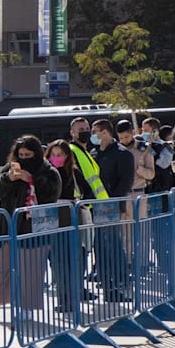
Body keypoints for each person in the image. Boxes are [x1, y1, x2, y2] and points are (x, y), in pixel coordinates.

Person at [0, 136, 61, 313]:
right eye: (20, 154)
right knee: (0, 267)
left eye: (27, 154)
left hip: (32, 229)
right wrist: (9, 179)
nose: (23, 158)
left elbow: (52, 193)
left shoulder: (48, 171)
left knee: (30, 270)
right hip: (7, 227)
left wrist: (32, 180)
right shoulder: (10, 168)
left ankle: (27, 307)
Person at [90, 119, 135, 301]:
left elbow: (126, 181)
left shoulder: (122, 154)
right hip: (95, 207)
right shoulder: (94, 153)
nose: (93, 135)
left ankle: (121, 278)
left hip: (111, 207)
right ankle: (103, 276)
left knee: (113, 243)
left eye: (95, 131)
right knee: (99, 244)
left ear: (105, 132)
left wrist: (112, 202)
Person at [44, 139, 84, 311]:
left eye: (60, 154)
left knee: (70, 258)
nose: (56, 157)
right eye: (53, 154)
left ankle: (72, 298)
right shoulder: (45, 172)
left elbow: (88, 190)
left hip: (68, 215)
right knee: (56, 260)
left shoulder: (73, 172)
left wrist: (79, 203)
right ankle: (63, 298)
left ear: (67, 155)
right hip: (51, 216)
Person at [67, 117, 110, 200]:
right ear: (72, 133)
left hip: (95, 203)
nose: (85, 131)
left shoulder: (85, 152)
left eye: (87, 129)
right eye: (81, 129)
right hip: (85, 204)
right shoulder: (71, 151)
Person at [142, 118, 175, 196]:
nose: (144, 133)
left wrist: (151, 151)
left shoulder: (166, 146)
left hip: (161, 186)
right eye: (143, 130)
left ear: (155, 131)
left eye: (146, 130)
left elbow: (164, 164)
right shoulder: (141, 145)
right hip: (146, 187)